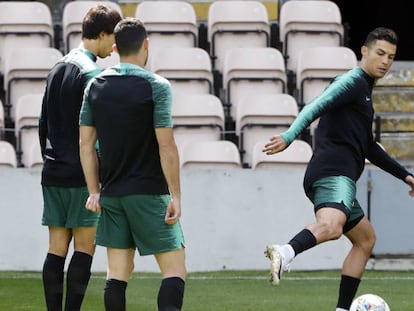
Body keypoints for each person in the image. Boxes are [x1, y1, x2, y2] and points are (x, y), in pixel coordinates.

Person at [262, 27, 414, 311]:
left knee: (365, 239)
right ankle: (285, 252)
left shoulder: (363, 93)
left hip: (335, 175)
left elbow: (368, 147)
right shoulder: (353, 81)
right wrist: (289, 136)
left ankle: (342, 308)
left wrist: (407, 177)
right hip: (335, 174)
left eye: (391, 57)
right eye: (380, 53)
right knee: (332, 227)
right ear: (364, 51)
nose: (385, 61)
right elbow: (314, 106)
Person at [79, 18, 186, 311]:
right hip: (150, 192)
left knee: (117, 274)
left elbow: (86, 145)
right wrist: (175, 195)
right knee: (174, 270)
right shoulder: (157, 86)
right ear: (146, 45)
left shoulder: (94, 85)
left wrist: (94, 190)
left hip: (111, 194)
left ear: (114, 48)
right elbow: (167, 146)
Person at [38, 5, 122, 311]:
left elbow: (41, 122)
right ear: (100, 34)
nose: (114, 47)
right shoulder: (92, 75)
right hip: (81, 175)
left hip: (53, 170)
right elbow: (99, 131)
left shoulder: (56, 67)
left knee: (56, 247)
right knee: (85, 247)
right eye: (112, 38)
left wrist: (49, 159)